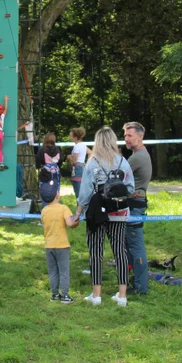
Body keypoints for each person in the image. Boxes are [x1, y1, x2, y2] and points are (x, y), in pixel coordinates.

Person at [75, 126, 134, 307]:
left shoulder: (92, 164)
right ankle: (122, 296)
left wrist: (78, 212)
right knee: (120, 253)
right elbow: (130, 188)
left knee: (95, 252)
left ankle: (96, 295)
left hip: (97, 215)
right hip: (119, 213)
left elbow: (85, 193)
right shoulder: (123, 162)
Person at [123, 122, 151, 295]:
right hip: (134, 205)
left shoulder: (136, 158)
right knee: (131, 245)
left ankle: (141, 287)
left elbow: (116, 178)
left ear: (140, 137)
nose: (126, 139)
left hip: (134, 207)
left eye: (130, 135)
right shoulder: (140, 154)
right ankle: (136, 281)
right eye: (125, 135)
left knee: (135, 246)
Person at [41, 183, 78, 303]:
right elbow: (70, 224)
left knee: (52, 271)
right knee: (64, 271)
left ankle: (55, 294)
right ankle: (65, 295)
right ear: (57, 195)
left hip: (49, 245)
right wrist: (77, 220)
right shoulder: (64, 208)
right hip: (62, 245)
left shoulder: (44, 210)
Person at [67, 128, 87, 193]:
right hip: (82, 167)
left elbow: (74, 161)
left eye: (71, 136)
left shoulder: (76, 147)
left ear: (75, 138)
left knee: (77, 189)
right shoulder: (83, 145)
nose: (70, 137)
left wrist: (69, 157)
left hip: (77, 169)